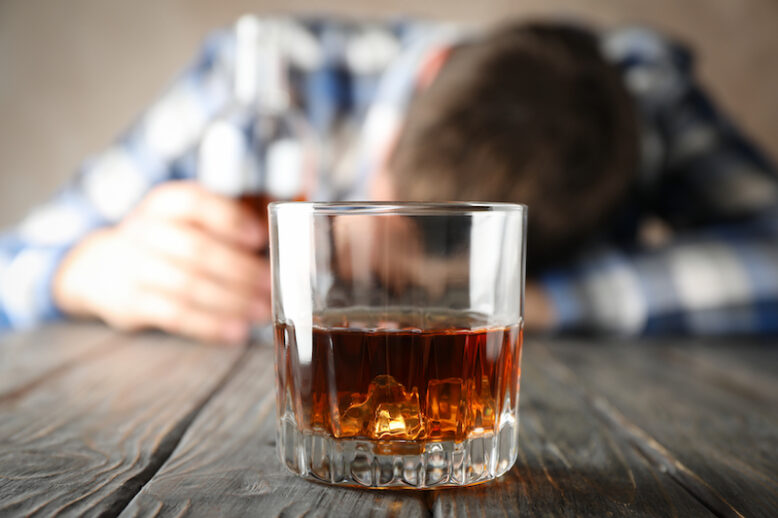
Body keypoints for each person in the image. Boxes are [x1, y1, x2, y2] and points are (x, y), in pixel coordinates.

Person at [1, 15, 776, 341]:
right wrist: (81, 270)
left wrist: (523, 304)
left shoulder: (645, 100)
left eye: (435, 282)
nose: (398, 299)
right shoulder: (263, 76)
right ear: (430, 69)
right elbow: (12, 268)